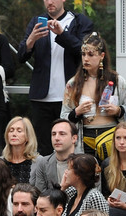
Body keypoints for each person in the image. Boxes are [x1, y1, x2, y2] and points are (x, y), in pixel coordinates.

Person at [18, 0, 95, 154]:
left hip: (70, 97)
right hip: (42, 98)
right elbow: (21, 56)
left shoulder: (79, 21)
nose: (50, 2)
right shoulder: (37, 22)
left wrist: (62, 34)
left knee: (71, 146)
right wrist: (31, 39)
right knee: (44, 149)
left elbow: (84, 52)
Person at [62, 32, 126, 160]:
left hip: (111, 134)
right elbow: (63, 116)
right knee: (86, 170)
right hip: (85, 136)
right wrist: (76, 112)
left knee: (109, 170)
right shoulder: (73, 84)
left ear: (102, 56)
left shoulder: (117, 81)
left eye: (91, 54)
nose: (86, 59)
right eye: (83, 54)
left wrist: (118, 110)